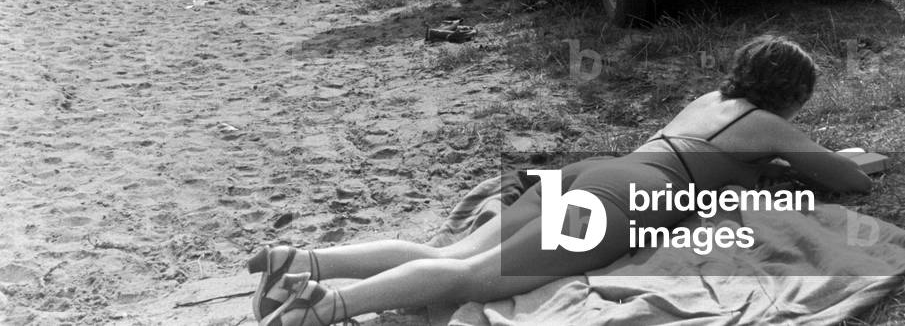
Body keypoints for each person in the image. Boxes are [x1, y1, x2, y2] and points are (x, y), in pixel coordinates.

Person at [249, 35, 872, 326]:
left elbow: (718, 161)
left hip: (592, 172)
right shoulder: (768, 125)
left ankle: (302, 262)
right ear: (792, 94)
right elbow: (851, 178)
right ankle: (324, 308)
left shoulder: (710, 101)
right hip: (624, 200)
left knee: (451, 255)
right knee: (473, 279)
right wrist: (825, 156)